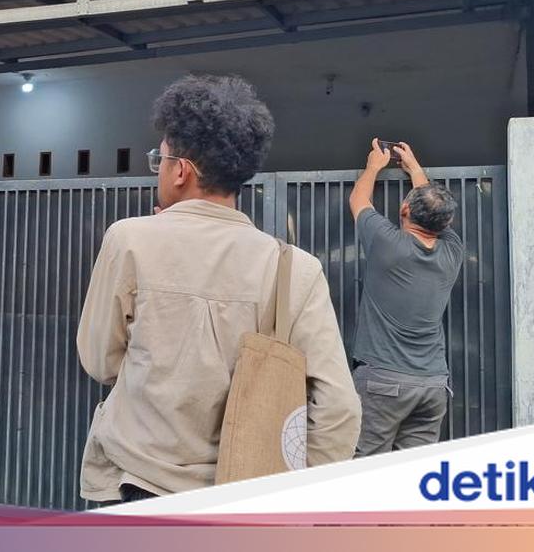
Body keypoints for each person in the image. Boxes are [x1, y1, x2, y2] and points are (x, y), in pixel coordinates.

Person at [76, 75, 361, 503]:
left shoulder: (130, 240)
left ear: (181, 171)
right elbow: (339, 408)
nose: (159, 169)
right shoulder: (294, 268)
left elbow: (100, 360)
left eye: (160, 159)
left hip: (139, 483)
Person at [348, 139, 463, 456]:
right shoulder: (452, 252)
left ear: (404, 210)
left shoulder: (387, 244)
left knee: (365, 466)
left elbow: (358, 199)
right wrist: (414, 168)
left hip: (383, 380)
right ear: (446, 223)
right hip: (432, 384)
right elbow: (435, 211)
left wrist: (373, 166)